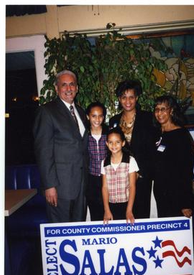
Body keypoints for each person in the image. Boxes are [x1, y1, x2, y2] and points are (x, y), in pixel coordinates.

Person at [33, 70, 89, 223]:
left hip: (81, 185)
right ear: (56, 88)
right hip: (60, 187)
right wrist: (49, 185)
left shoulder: (81, 112)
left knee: (78, 228)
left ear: (77, 88)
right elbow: (43, 151)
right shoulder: (47, 111)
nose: (69, 88)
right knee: (60, 232)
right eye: (64, 85)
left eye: (72, 84)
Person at [109, 80, 154, 219]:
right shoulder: (114, 121)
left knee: (140, 216)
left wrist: (140, 172)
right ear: (119, 99)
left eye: (131, 97)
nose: (127, 101)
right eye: (124, 97)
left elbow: (152, 149)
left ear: (137, 98)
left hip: (141, 177)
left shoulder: (148, 118)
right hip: (120, 178)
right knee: (121, 217)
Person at [152, 95, 194, 218]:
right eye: (157, 109)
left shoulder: (181, 135)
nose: (159, 113)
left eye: (163, 109)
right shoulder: (157, 133)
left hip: (176, 194)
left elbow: (186, 171)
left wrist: (185, 203)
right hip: (160, 191)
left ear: (171, 110)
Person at [101, 127, 139, 224]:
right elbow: (104, 187)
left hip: (127, 204)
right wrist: (106, 210)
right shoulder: (104, 162)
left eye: (117, 142)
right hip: (110, 205)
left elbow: (132, 186)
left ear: (123, 143)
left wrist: (129, 210)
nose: (114, 145)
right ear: (106, 143)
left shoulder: (130, 161)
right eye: (110, 142)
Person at [86, 101, 108, 221]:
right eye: (94, 116)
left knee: (109, 212)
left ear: (104, 117)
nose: (97, 119)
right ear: (88, 116)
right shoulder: (84, 135)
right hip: (92, 179)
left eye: (100, 116)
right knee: (95, 213)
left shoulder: (109, 134)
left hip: (108, 178)